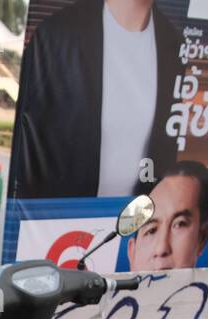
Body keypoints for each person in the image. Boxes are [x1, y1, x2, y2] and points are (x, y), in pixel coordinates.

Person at [10, 0, 182, 199]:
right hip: (61, 222)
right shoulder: (57, 35)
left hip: (136, 221)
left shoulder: (174, 46)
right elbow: (29, 152)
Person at [124, 160, 208, 319]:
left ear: (203, 236)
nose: (161, 249)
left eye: (180, 224)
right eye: (151, 230)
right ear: (132, 252)